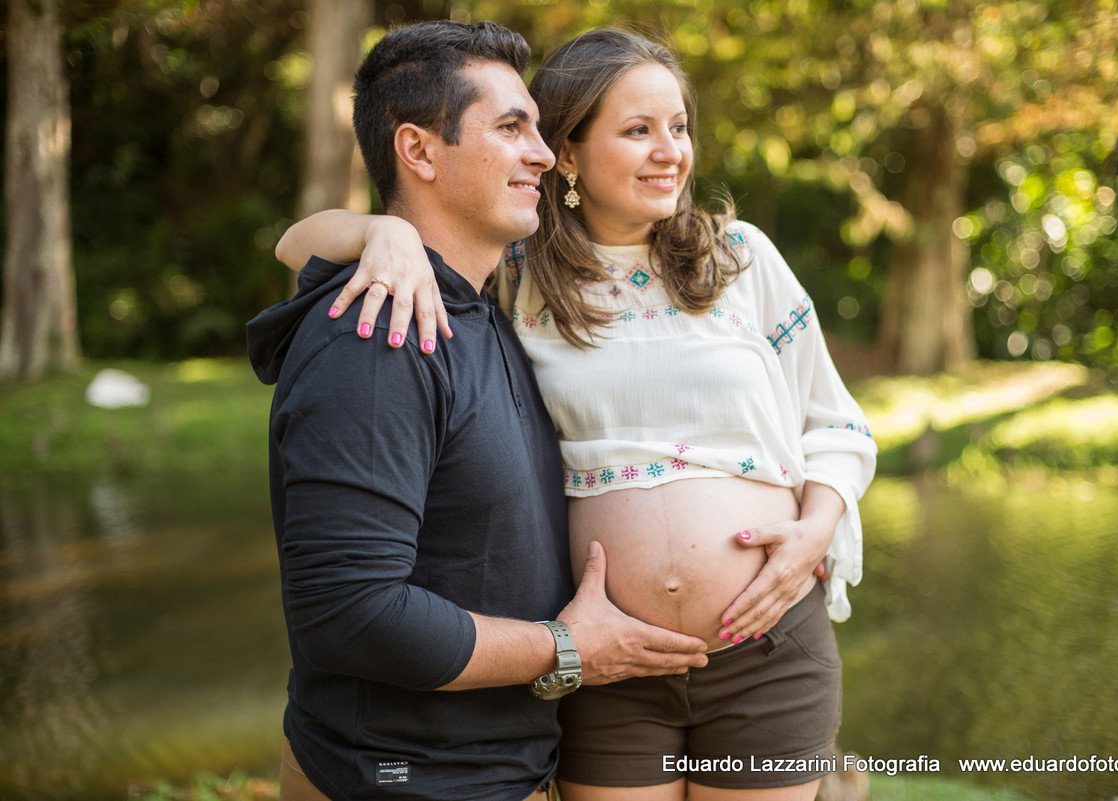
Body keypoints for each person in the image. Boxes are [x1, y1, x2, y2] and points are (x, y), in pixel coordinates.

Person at [277, 28, 877, 801]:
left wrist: (814, 533)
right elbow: (297, 245)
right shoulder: (519, 275)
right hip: (610, 669)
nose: (671, 151)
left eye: (679, 127)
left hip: (764, 643)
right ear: (569, 153)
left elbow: (837, 425)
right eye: (637, 130)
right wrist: (379, 231)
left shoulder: (741, 259)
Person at [247, 21, 712, 801]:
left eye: (536, 127)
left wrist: (376, 228)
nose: (540, 151)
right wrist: (566, 648)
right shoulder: (380, 333)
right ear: (420, 151)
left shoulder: (490, 304)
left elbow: (302, 240)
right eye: (510, 127)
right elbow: (351, 611)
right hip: (399, 781)